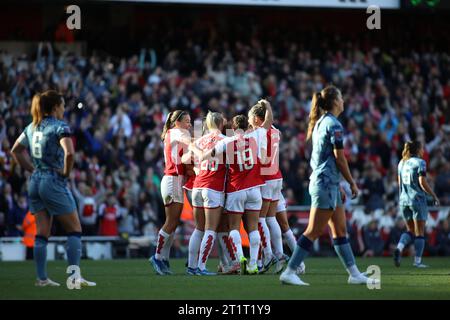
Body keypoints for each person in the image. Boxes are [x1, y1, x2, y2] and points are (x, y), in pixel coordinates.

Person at [280, 85, 378, 286]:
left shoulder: (320, 123)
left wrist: (338, 184)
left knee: (340, 230)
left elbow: (327, 160)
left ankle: (354, 274)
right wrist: (351, 183)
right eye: (341, 97)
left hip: (328, 183)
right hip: (325, 184)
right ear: (334, 101)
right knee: (313, 231)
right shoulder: (334, 125)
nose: (343, 101)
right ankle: (290, 271)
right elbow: (339, 158)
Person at [10, 90, 95, 287]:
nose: (64, 109)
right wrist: (65, 173)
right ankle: (74, 278)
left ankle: (42, 279)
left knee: (41, 233)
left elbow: (15, 150)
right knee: (74, 229)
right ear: (56, 107)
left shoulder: (32, 126)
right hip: (52, 180)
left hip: (35, 180)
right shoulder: (60, 127)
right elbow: (70, 153)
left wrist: (31, 168)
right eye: (63, 105)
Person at [196, 107, 271, 275]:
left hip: (236, 189)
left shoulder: (227, 142)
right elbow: (267, 124)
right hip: (254, 189)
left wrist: (200, 154)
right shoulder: (255, 137)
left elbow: (209, 155)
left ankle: (238, 259)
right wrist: (266, 105)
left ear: (232, 127)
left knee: (234, 228)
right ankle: (253, 264)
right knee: (253, 228)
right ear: (247, 126)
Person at [150, 110, 191, 275]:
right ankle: (157, 257)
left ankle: (164, 259)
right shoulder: (174, 132)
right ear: (177, 122)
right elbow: (190, 143)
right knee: (170, 222)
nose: (189, 124)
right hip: (172, 179)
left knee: (173, 223)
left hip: (176, 181)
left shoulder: (175, 133)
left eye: (190, 121)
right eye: (187, 121)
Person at [186, 111, 228, 275]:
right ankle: (201, 267)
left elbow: (188, 159)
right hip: (213, 187)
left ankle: (191, 266)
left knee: (199, 229)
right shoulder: (225, 140)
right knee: (210, 229)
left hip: (197, 186)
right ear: (221, 124)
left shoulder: (200, 140)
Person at [248, 100, 284, 273]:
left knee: (261, 219)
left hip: (266, 177)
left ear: (256, 118)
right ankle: (280, 254)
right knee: (271, 219)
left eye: (250, 118)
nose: (248, 122)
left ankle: (269, 254)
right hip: (277, 175)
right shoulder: (276, 131)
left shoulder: (260, 132)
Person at [394, 141, 440, 268]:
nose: (424, 151)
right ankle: (417, 261)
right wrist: (433, 195)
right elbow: (422, 182)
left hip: (403, 200)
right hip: (417, 200)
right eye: (422, 148)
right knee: (419, 232)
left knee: (409, 230)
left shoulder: (401, 163)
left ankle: (399, 247)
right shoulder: (420, 162)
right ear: (418, 150)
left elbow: (399, 183)